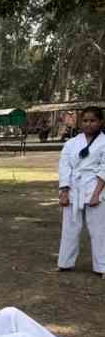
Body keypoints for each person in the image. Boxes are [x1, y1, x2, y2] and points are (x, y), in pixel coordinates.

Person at [57, 106, 105, 275]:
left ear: (101, 122)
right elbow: (64, 167)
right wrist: (64, 191)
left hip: (96, 188)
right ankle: (65, 262)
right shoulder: (71, 143)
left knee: (98, 229)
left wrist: (96, 194)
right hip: (73, 188)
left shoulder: (104, 142)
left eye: (93, 121)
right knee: (70, 228)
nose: (88, 124)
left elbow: (103, 169)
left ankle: (101, 266)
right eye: (85, 120)